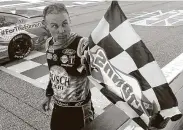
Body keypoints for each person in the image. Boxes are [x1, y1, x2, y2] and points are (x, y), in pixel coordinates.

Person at [42, 3, 95, 130]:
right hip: (58, 106)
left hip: (80, 109)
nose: (61, 30)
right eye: (54, 26)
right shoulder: (48, 44)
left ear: (70, 20)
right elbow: (54, 73)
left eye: (65, 23)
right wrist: (48, 95)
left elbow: (103, 69)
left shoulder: (82, 44)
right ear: (45, 25)